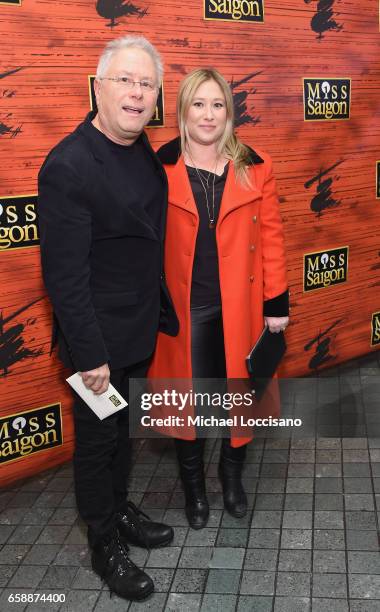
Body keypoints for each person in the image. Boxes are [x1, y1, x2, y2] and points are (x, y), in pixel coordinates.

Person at [38, 36, 178, 601]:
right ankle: (103, 543)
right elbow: (65, 277)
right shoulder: (68, 165)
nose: (136, 93)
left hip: (137, 330)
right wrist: (90, 355)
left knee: (122, 434)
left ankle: (120, 511)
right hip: (95, 342)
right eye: (125, 80)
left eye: (146, 84)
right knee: (97, 441)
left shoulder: (141, 149)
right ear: (99, 86)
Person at [149, 68, 289, 529]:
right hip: (183, 312)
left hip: (240, 308)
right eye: (198, 104)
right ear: (182, 111)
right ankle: (193, 490)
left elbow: (271, 238)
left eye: (217, 105)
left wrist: (276, 305)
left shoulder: (255, 165)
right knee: (186, 403)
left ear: (229, 112)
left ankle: (232, 479)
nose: (208, 115)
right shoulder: (156, 167)